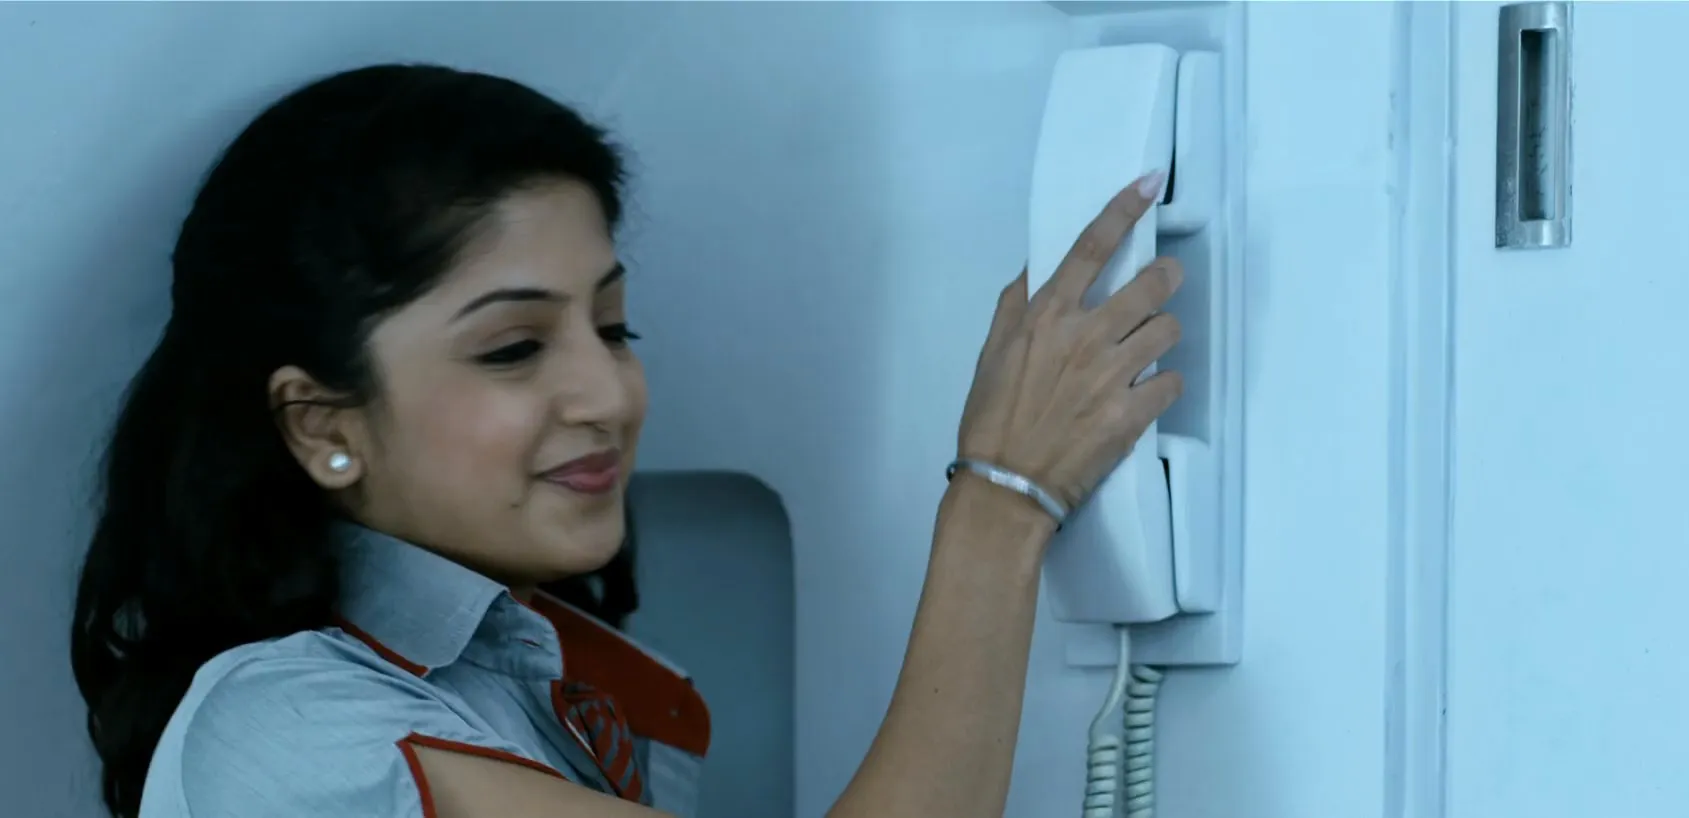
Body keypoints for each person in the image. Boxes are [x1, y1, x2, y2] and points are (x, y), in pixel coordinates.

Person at [68, 63, 1183, 818]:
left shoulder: (548, 689)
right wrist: (1002, 498)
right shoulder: (285, 726)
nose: (607, 391)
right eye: (513, 348)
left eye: (612, 327)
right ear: (323, 424)